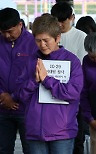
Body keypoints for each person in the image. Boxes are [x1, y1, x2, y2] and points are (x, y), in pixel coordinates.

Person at [15, 14, 83, 154]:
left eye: (46, 40)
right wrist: (34, 81)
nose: (42, 45)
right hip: (35, 130)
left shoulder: (72, 61)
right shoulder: (30, 61)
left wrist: (47, 80)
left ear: (57, 38)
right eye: (38, 41)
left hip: (62, 132)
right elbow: (20, 95)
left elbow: (73, 93)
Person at [0, 7, 38, 154]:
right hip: (2, 107)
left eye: (10, 31)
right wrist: (3, 95)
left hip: (27, 108)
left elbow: (36, 76)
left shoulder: (34, 43)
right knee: (3, 150)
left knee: (30, 150)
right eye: (3, 32)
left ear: (20, 25)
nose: (7, 35)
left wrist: (15, 97)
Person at [51, 2, 87, 154]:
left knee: (77, 138)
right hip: (51, 94)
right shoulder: (48, 36)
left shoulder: (81, 36)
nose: (59, 24)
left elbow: (81, 67)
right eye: (56, 20)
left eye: (63, 21)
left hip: (73, 94)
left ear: (72, 18)